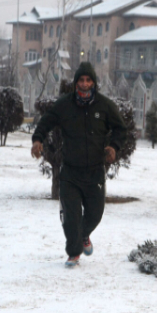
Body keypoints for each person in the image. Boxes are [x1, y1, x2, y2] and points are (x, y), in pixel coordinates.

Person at [31, 61, 126, 267]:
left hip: (94, 171)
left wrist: (114, 147)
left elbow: (120, 129)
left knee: (95, 213)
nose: (84, 84)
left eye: (88, 80)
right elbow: (46, 121)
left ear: (93, 83)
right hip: (70, 172)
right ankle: (74, 252)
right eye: (81, 80)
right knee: (71, 216)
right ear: (76, 83)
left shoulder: (104, 105)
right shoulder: (64, 105)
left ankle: (83, 236)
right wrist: (37, 140)